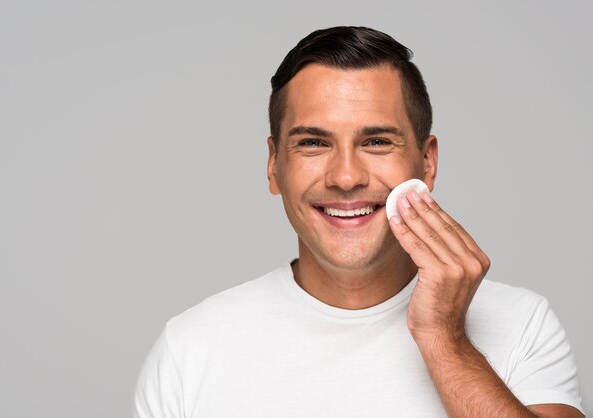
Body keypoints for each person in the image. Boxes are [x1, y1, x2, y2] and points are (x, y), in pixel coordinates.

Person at [133, 26, 584, 417]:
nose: (346, 177)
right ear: (274, 166)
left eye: (376, 141)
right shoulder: (190, 348)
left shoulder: (522, 322)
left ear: (427, 164)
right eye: (313, 143)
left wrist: (444, 339)